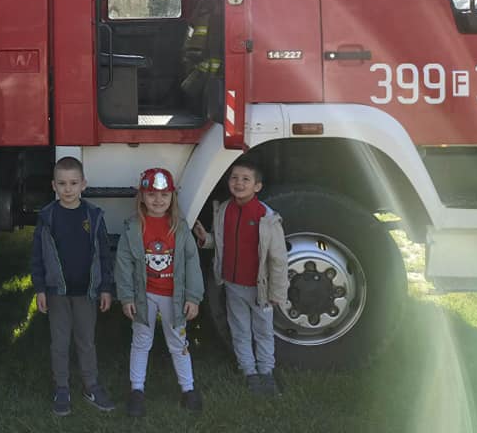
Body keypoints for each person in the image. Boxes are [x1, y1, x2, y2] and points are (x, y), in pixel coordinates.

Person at [193, 157, 289, 396]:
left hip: (260, 289)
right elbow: (221, 243)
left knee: (263, 331)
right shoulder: (224, 210)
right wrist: (206, 239)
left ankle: (266, 371)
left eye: (246, 179)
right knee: (240, 330)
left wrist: (277, 292)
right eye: (234, 178)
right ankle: (248, 370)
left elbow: (278, 260)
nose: (239, 183)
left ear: (257, 186)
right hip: (233, 285)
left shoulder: (267, 217)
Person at [115, 167, 204, 418]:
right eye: (152, 194)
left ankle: (188, 389)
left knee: (178, 342)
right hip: (145, 296)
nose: (158, 200)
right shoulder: (133, 227)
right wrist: (127, 297)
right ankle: (137, 390)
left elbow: (192, 264)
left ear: (172, 197)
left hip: (173, 297)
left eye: (164, 195)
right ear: (142, 196)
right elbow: (123, 264)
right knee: (141, 341)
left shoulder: (180, 227)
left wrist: (193, 297)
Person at [31, 156, 116, 416]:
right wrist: (40, 288)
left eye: (73, 183)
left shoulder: (93, 215)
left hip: (86, 293)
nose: (68, 189)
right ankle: (62, 387)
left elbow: (104, 254)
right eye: (62, 183)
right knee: (59, 342)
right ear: (53, 185)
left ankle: (91, 385)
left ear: (83, 184)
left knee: (86, 341)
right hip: (57, 293)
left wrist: (105, 287)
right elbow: (37, 256)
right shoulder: (47, 217)